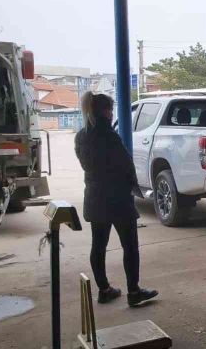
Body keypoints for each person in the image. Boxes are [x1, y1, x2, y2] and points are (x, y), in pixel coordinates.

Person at [74, 91, 158, 307]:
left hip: (94, 196)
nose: (112, 114)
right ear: (105, 111)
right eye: (110, 110)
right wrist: (132, 185)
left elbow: (85, 164)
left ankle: (104, 290)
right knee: (130, 246)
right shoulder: (108, 135)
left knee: (98, 245)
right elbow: (125, 164)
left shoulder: (81, 135)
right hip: (117, 199)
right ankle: (133, 291)